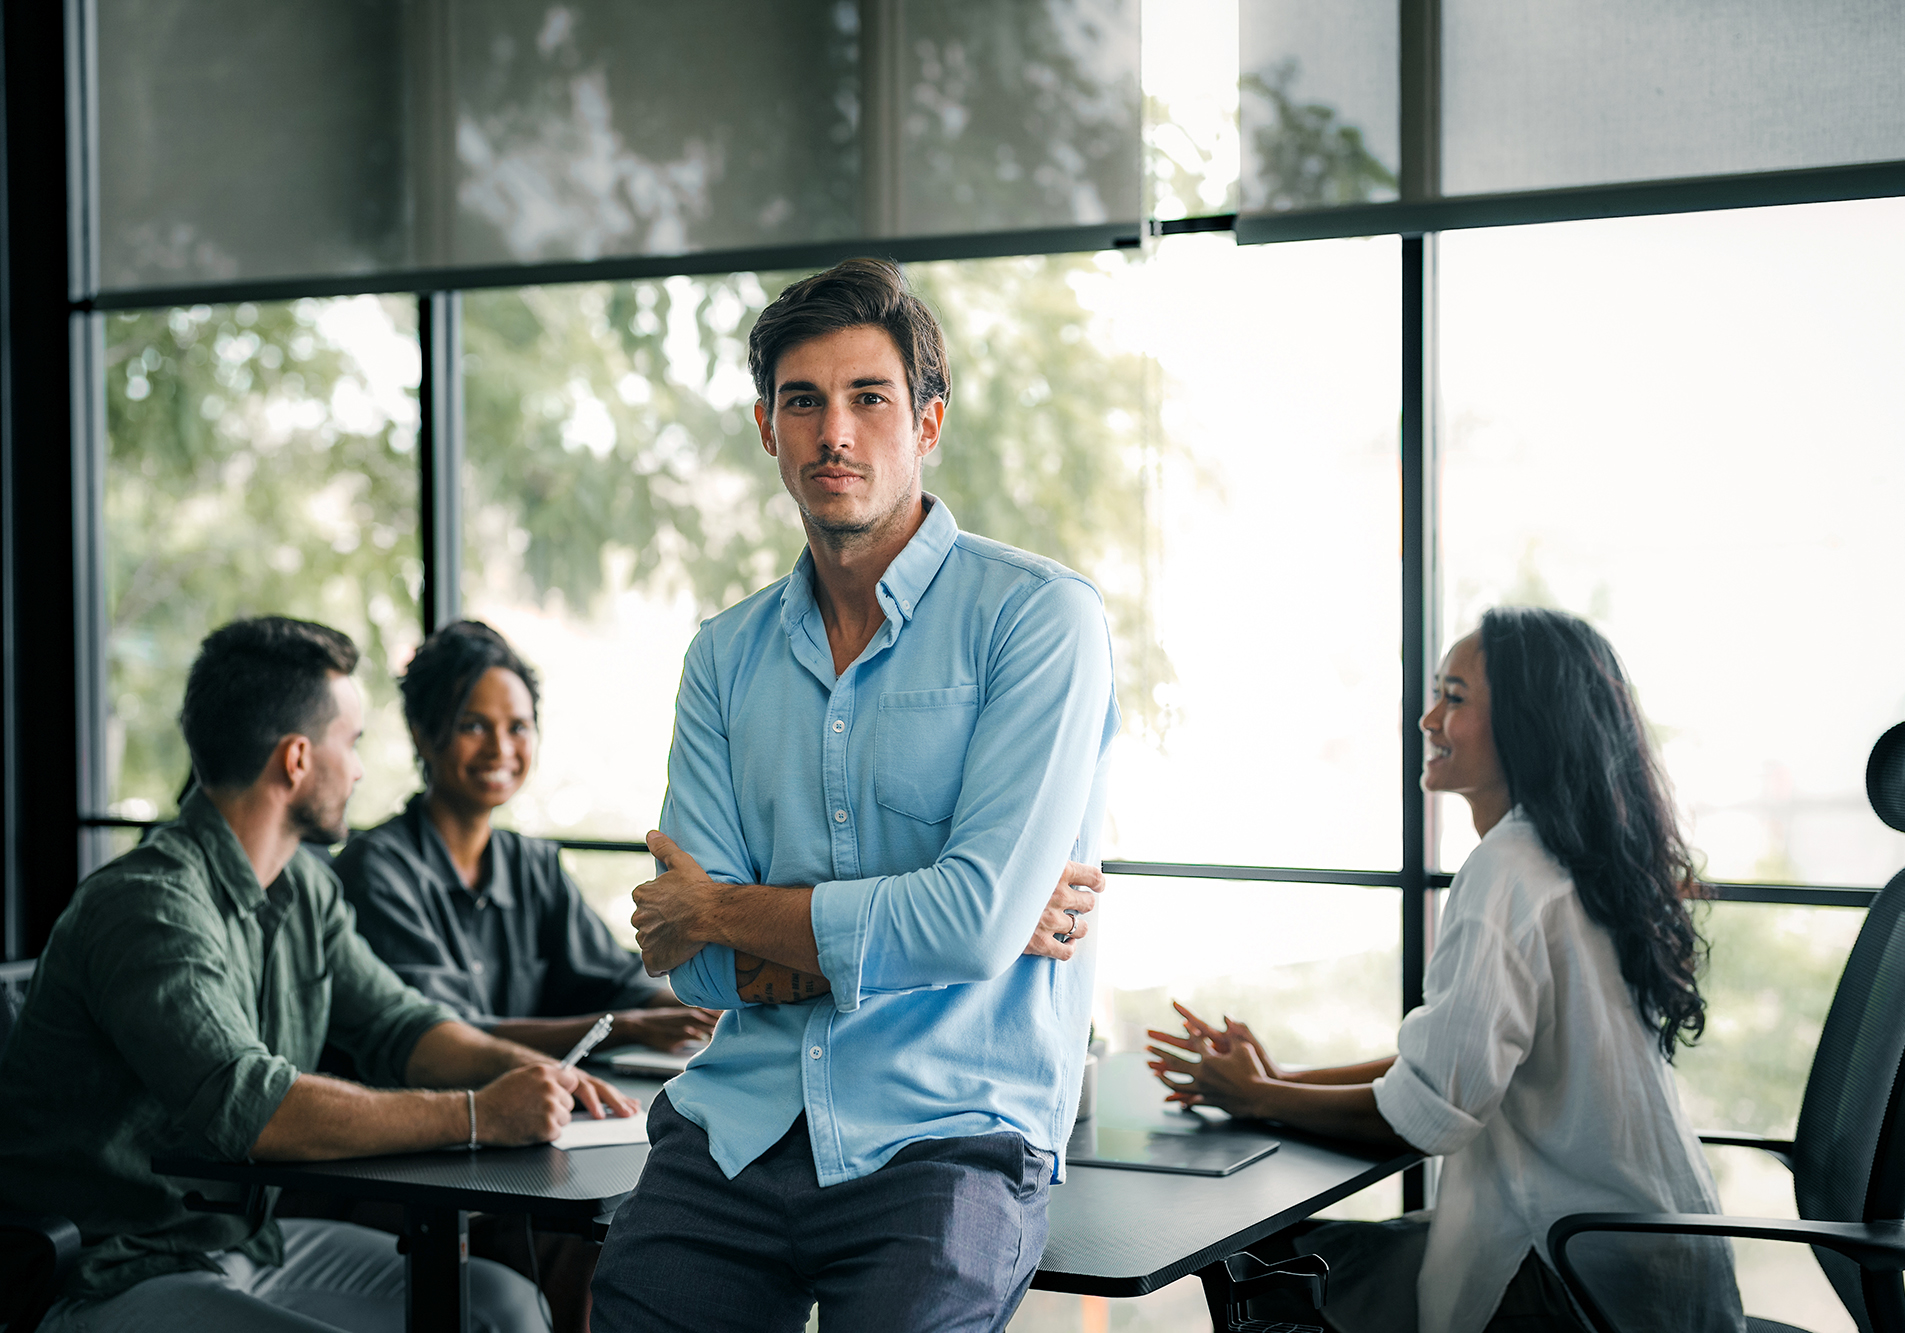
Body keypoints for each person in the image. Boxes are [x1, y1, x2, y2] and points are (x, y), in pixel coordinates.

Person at [589, 257, 1118, 1333]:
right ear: (766, 428)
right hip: (736, 1128)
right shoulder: (724, 656)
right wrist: (936, 930)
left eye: (868, 397)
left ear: (927, 422)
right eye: (802, 402)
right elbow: (692, 964)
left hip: (950, 1137)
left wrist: (730, 909)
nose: (834, 432)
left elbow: (965, 923)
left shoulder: (1038, 620)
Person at [0, 616, 638, 1333]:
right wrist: (478, 1115)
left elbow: (401, 1025)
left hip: (244, 1241)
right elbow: (255, 1107)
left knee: (503, 1308)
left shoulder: (306, 886)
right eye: (353, 742)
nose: (361, 770)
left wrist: (532, 1073)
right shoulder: (147, 905)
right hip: (106, 1271)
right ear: (297, 759)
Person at [1148, 607, 1742, 1333]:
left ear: (1528, 724)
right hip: (1644, 1260)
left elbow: (1425, 1112)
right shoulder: (1579, 859)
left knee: (1266, 1274)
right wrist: (1280, 1079)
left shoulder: (1509, 870)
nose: (1428, 718)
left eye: (1454, 698)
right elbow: (1448, 1068)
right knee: (1296, 1264)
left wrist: (1258, 1097)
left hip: (1577, 1280)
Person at [336, 619, 718, 1062]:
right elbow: (442, 1036)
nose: (500, 749)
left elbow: (613, 980)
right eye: (472, 726)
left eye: (517, 727)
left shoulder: (532, 865)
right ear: (422, 735)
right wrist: (622, 1027)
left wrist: (704, 1013)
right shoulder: (376, 871)